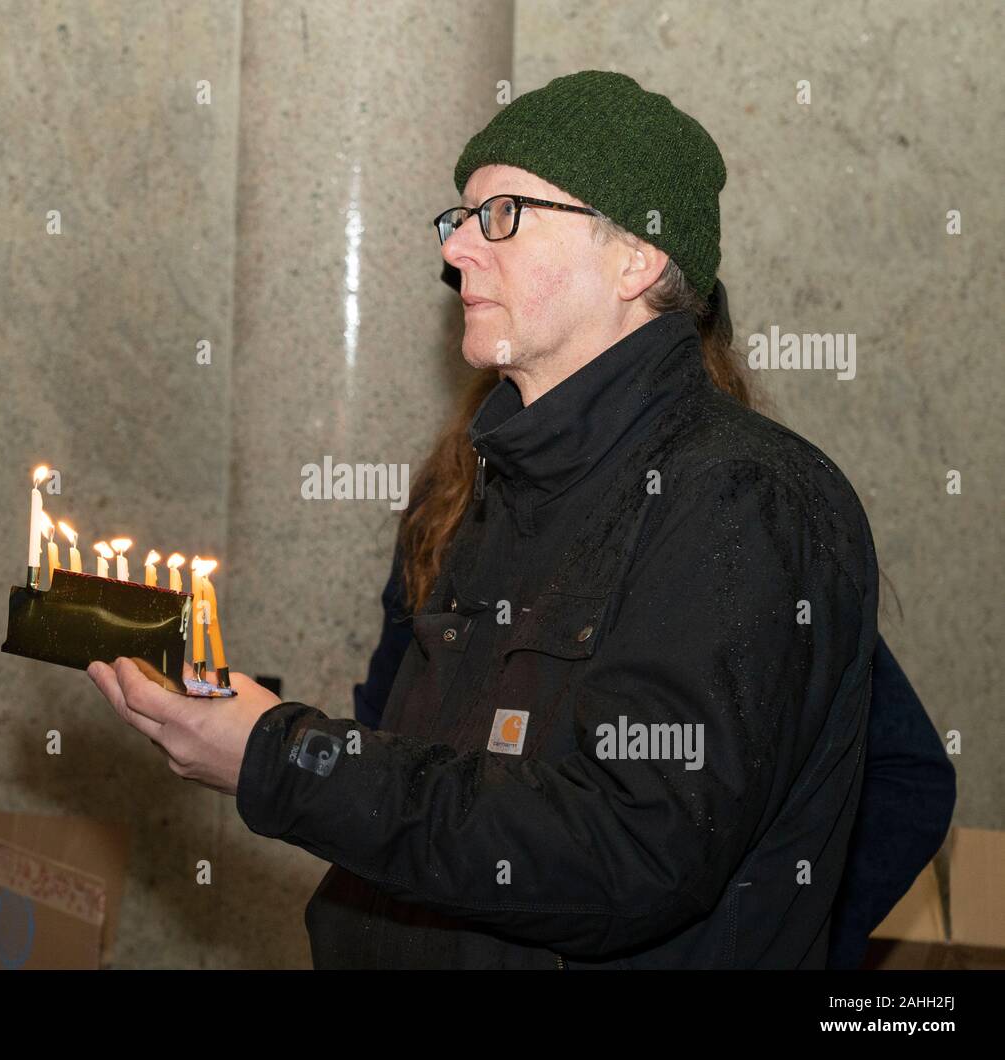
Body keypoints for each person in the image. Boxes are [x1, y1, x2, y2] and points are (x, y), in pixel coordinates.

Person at [86, 71, 914, 968]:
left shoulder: (742, 498)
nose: (459, 255)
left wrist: (285, 761)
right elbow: (456, 791)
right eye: (460, 220)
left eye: (504, 215)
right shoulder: (502, 484)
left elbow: (627, 850)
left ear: (636, 256)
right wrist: (256, 727)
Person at [356, 269, 955, 967]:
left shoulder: (732, 525)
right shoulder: (458, 505)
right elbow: (386, 729)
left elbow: (905, 780)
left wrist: (781, 930)